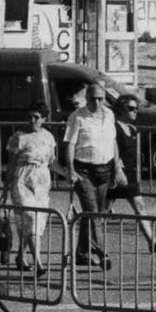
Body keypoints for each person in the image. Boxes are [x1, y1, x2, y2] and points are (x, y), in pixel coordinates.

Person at [63, 80, 119, 268]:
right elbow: (69, 144)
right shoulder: (77, 117)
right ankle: (102, 252)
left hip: (104, 170)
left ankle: (82, 253)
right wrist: (70, 170)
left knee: (95, 214)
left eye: (100, 99)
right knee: (92, 212)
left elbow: (113, 142)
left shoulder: (110, 115)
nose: (97, 103)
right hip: (83, 171)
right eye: (93, 99)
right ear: (86, 99)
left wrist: (117, 168)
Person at [107, 95, 156, 253]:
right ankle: (89, 243)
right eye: (131, 108)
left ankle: (152, 241)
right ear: (121, 109)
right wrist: (117, 169)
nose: (135, 112)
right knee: (101, 212)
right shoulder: (114, 128)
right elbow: (112, 150)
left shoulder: (133, 129)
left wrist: (138, 175)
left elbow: (136, 156)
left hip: (131, 175)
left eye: (136, 109)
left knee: (139, 206)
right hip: (117, 175)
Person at [4, 100, 58, 275]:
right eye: (29, 117)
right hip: (22, 179)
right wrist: (6, 188)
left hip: (41, 180)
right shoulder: (19, 137)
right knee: (30, 217)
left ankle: (21, 255)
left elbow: (52, 161)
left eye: (36, 117)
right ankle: (39, 264)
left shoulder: (49, 137)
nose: (32, 121)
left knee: (36, 221)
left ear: (44, 119)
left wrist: (69, 173)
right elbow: (11, 165)